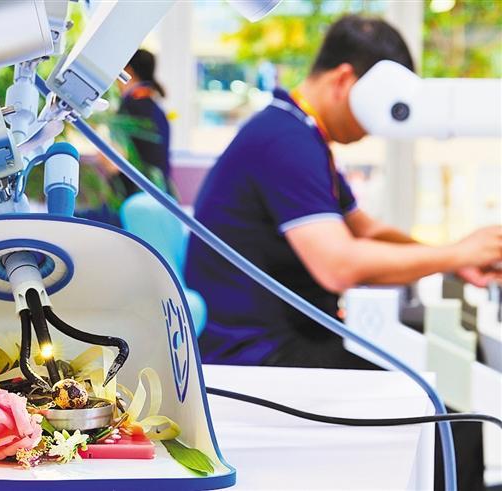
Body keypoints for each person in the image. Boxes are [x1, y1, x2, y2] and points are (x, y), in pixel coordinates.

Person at [184, 15, 499, 490]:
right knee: (451, 394)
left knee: (452, 353)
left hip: (289, 339)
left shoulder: (300, 132)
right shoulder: (285, 140)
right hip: (263, 356)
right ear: (346, 79)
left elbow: (365, 229)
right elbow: (339, 265)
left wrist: (456, 256)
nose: (378, 128)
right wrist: (455, 254)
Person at [104, 48, 172, 200]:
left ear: (128, 71)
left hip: (131, 198)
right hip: (157, 195)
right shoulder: (156, 109)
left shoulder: (128, 108)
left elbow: (113, 164)